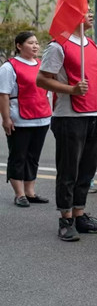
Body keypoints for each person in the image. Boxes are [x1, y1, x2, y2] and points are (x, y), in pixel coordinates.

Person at [37, 11, 97, 241]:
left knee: (87, 170)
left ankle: (79, 214)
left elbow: (96, 82)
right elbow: (41, 79)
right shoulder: (58, 46)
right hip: (69, 116)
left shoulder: (93, 46)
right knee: (68, 170)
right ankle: (65, 219)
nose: (91, 15)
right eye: (85, 12)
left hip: (92, 115)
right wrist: (71, 90)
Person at [0, 32, 51, 207]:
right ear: (19, 46)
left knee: (33, 157)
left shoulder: (42, 65)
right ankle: (19, 194)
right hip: (20, 119)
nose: (35, 46)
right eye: (30, 43)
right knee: (18, 156)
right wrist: (6, 119)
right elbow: (3, 95)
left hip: (42, 118)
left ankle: (30, 192)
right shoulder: (9, 67)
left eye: (36, 43)